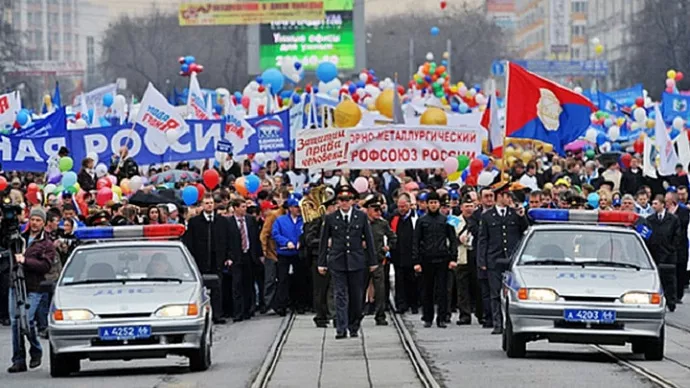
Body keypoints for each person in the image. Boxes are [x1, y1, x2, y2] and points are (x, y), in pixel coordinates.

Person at [318, 185, 377, 339]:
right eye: (342, 200)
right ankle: (341, 327)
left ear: (353, 201)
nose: (345, 202)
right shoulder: (331, 218)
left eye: (348, 199)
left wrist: (373, 261)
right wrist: (322, 262)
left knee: (356, 296)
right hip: (337, 261)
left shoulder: (361, 216)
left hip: (356, 261)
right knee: (340, 295)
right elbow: (324, 242)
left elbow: (369, 240)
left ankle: (354, 325)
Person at [8, 208, 56, 373]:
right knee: (15, 322)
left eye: (38, 220)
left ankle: (36, 349)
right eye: (32, 219)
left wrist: (26, 260)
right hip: (15, 284)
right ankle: (18, 359)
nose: (34, 223)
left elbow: (45, 266)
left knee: (27, 321)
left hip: (34, 286)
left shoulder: (47, 244)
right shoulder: (18, 238)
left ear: (43, 223)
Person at [477, 182, 528, 335]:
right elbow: (483, 239)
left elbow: (524, 231)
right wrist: (482, 260)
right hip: (494, 259)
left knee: (512, 293)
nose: (510, 199)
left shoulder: (514, 214)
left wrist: (522, 216)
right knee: (495, 293)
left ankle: (510, 324)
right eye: (507, 196)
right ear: (501, 197)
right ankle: (497, 323)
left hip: (511, 260)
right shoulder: (487, 216)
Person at [183, 193, 232, 324]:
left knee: (218, 288)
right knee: (201, 289)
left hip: (217, 260)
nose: (209, 205)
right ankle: (202, 315)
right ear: (202, 205)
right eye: (207, 203)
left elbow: (228, 240)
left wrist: (228, 256)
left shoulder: (222, 221)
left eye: (211, 203)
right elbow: (190, 242)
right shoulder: (195, 222)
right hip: (201, 260)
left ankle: (218, 314)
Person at [412, 191, 458, 328]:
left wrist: (453, 258)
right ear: (427, 204)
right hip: (426, 259)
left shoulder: (445, 220)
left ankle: (442, 318)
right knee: (427, 290)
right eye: (431, 202)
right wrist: (416, 261)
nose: (433, 205)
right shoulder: (422, 221)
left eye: (435, 203)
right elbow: (416, 241)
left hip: (443, 259)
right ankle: (427, 317)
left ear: (439, 204)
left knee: (443, 291)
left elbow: (453, 240)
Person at [363, 194, 397, 326]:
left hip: (378, 260)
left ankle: (380, 315)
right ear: (368, 210)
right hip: (363, 260)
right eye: (375, 210)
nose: (378, 212)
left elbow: (393, 237)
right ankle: (357, 313)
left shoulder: (382, 223)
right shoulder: (361, 222)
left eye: (379, 210)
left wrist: (388, 247)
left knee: (380, 289)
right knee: (360, 288)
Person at [228, 199, 263, 321]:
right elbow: (226, 241)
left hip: (249, 255)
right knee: (237, 285)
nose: (244, 209)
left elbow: (255, 238)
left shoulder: (250, 220)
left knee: (249, 284)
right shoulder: (228, 222)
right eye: (242, 207)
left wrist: (259, 254)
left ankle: (248, 310)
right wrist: (228, 257)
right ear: (235, 208)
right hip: (236, 257)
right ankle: (238, 312)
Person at [645, 195, 682, 312]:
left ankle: (671, 301)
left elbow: (677, 236)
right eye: (653, 204)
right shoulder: (650, 219)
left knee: (669, 278)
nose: (653, 206)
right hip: (654, 254)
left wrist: (671, 248)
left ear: (662, 204)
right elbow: (647, 235)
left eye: (656, 203)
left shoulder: (673, 219)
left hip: (669, 255)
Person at [272, 195, 305, 316]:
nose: (298, 209)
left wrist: (302, 242)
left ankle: (299, 304)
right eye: (296, 207)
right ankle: (282, 305)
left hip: (298, 254)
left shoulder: (304, 220)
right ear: (290, 208)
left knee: (300, 280)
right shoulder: (280, 220)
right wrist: (286, 242)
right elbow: (275, 233)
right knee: (283, 280)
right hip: (284, 254)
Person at [450, 194, 478, 325]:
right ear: (461, 207)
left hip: (475, 256)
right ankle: (464, 315)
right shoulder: (454, 221)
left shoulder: (478, 220)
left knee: (477, 287)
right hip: (461, 256)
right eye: (466, 206)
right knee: (462, 289)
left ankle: (480, 313)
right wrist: (458, 240)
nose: (469, 209)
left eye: (471, 206)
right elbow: (449, 238)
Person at [389, 193, 420, 314]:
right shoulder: (394, 218)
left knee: (412, 281)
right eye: (399, 206)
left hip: (411, 255)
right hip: (398, 255)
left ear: (409, 205)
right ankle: (401, 305)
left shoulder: (415, 218)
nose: (401, 209)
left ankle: (414, 304)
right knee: (399, 281)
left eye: (404, 206)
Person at [260, 201, 285, 314]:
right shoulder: (273, 216)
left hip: (283, 252)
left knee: (281, 279)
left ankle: (279, 303)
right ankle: (268, 303)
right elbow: (264, 234)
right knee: (270, 279)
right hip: (272, 252)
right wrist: (264, 250)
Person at [665, 191, 689, 302]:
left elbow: (683, 224)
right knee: (670, 271)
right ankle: (669, 294)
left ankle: (678, 295)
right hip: (668, 246)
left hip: (681, 245)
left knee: (680, 269)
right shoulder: (665, 211)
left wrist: (672, 216)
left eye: (667, 200)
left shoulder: (684, 211)